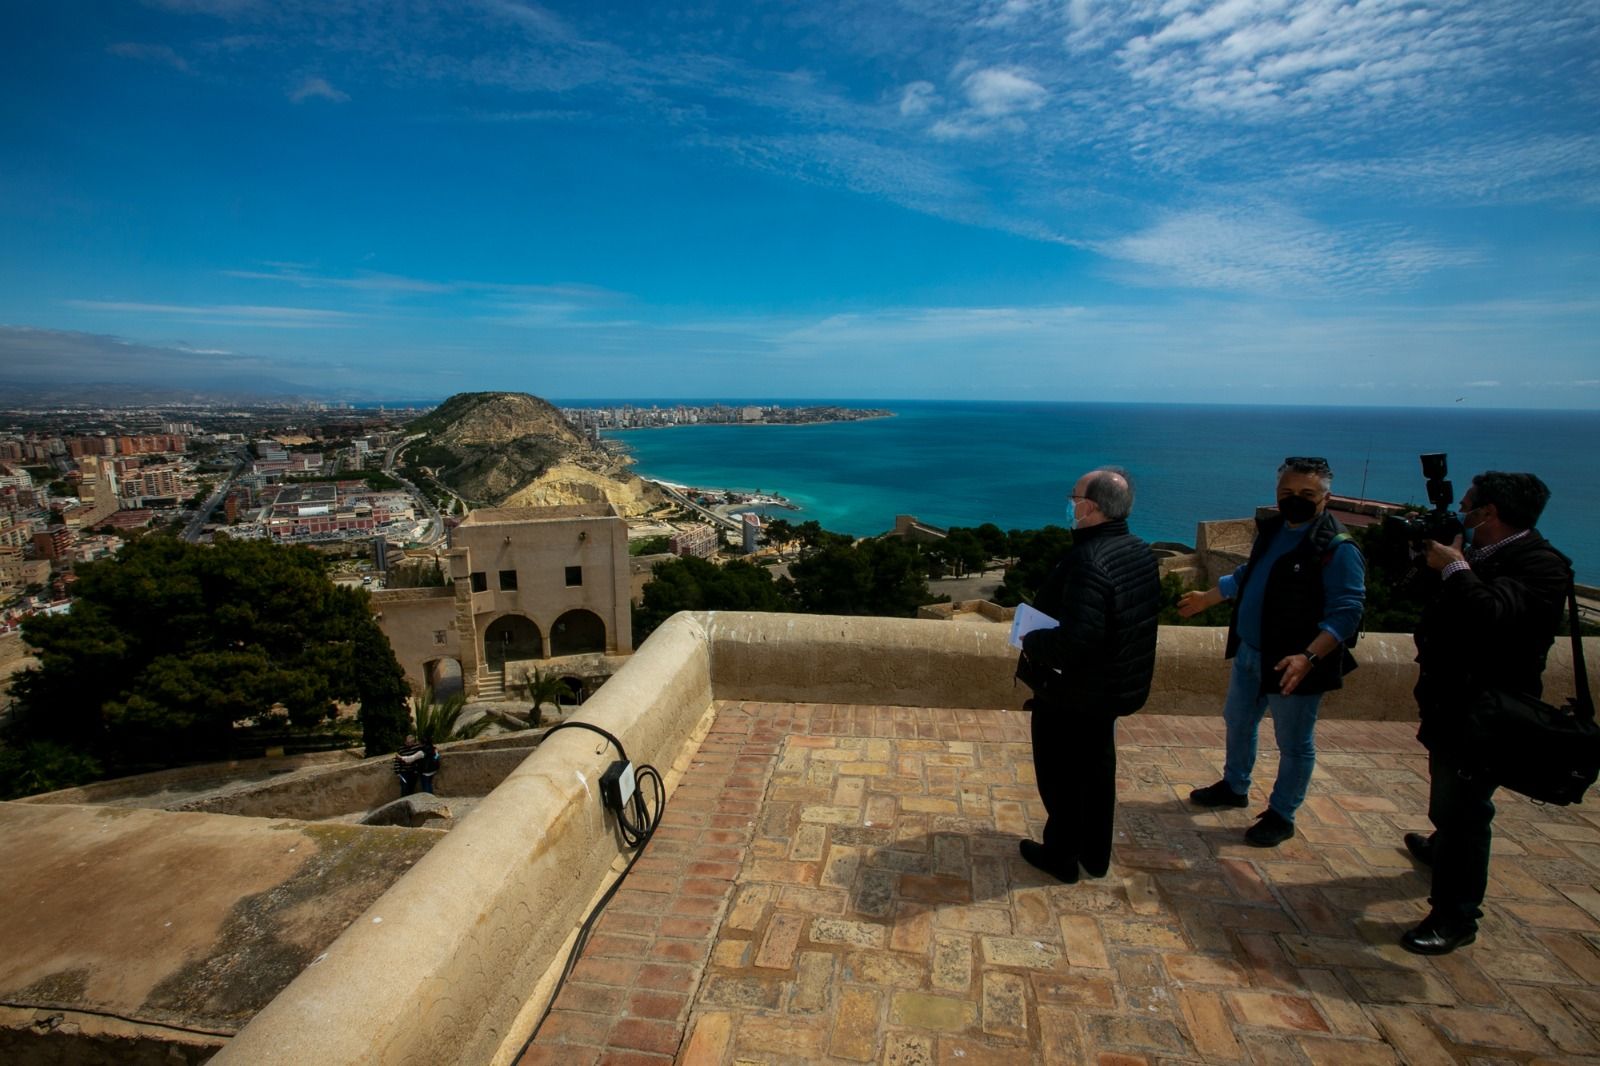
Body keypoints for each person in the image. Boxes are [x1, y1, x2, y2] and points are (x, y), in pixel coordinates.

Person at [1401, 472, 1571, 955]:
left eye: (1470, 505)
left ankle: (1455, 917)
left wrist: (1455, 567)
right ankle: (1441, 846)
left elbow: (1491, 616)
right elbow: (1424, 599)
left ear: (1490, 513)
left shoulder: (1542, 567)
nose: (1463, 512)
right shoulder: (1479, 554)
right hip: (1450, 700)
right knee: (1449, 792)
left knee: (1467, 811)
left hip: (1489, 712)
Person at [1178, 456, 1365, 847]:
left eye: (1306, 494)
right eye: (1287, 493)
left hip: (1293, 662)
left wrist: (1309, 657)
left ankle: (1282, 814)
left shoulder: (1336, 547)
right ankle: (1234, 785)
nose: (1295, 499)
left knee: (1295, 743)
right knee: (1239, 721)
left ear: (1326, 498)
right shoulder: (1274, 529)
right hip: (1251, 651)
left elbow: (1347, 613)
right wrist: (1209, 597)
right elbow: (1249, 574)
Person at [1016, 467, 1162, 883]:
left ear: (1090, 507)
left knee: (1060, 775)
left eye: (1074, 496)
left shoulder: (1088, 560)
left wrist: (1030, 640)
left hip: (1076, 693)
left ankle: (1061, 856)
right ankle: (1095, 854)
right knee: (1097, 773)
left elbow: (1076, 639)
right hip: (1114, 687)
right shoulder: (1139, 550)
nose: (1070, 502)